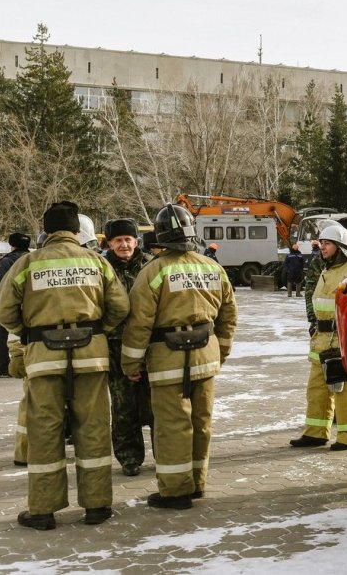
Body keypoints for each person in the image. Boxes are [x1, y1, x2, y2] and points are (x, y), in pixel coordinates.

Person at [0, 201, 130, 531]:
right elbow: (119, 307)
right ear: (74, 231)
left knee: (44, 431)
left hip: (44, 358)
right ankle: (97, 506)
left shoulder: (28, 263)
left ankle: (42, 511)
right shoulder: (96, 262)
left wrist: (31, 332)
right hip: (91, 357)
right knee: (94, 428)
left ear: (47, 230)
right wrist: (98, 331)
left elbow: (3, 310)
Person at [122, 204, 238, 510]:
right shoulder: (212, 267)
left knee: (173, 425)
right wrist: (221, 352)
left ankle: (176, 491)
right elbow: (229, 315)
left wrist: (131, 364)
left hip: (166, 360)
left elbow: (139, 323)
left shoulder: (153, 272)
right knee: (202, 421)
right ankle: (197, 483)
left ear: (160, 236)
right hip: (206, 356)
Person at [290, 222, 347, 451]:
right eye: (322, 243)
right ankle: (315, 432)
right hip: (322, 339)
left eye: (327, 243)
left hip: (341, 340)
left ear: (340, 246)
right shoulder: (326, 270)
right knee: (317, 389)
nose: (322, 247)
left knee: (346, 390)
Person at [102, 218, 155, 477]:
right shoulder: (102, 268)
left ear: (136, 241)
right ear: (109, 243)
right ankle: (129, 458)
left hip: (150, 346)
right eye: (118, 240)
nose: (124, 244)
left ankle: (165, 453)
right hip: (116, 347)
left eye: (128, 239)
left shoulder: (151, 266)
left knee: (157, 405)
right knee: (124, 407)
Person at [0, 232, 32, 378]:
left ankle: (4, 367)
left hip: (11, 303)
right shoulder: (34, 258)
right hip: (31, 304)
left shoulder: (7, 261)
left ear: (12, 244)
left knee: (2, 334)